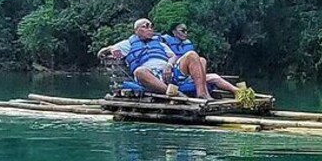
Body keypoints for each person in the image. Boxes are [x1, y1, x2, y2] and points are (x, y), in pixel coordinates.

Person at [97, 19, 239, 100]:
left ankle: (221, 93)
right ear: (136, 30)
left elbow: (173, 57)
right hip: (150, 75)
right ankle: (174, 93)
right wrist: (109, 50)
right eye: (146, 26)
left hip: (170, 73)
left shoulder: (160, 43)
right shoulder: (127, 44)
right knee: (140, 71)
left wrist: (169, 66)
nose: (150, 28)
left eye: (151, 26)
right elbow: (101, 53)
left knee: (193, 55)